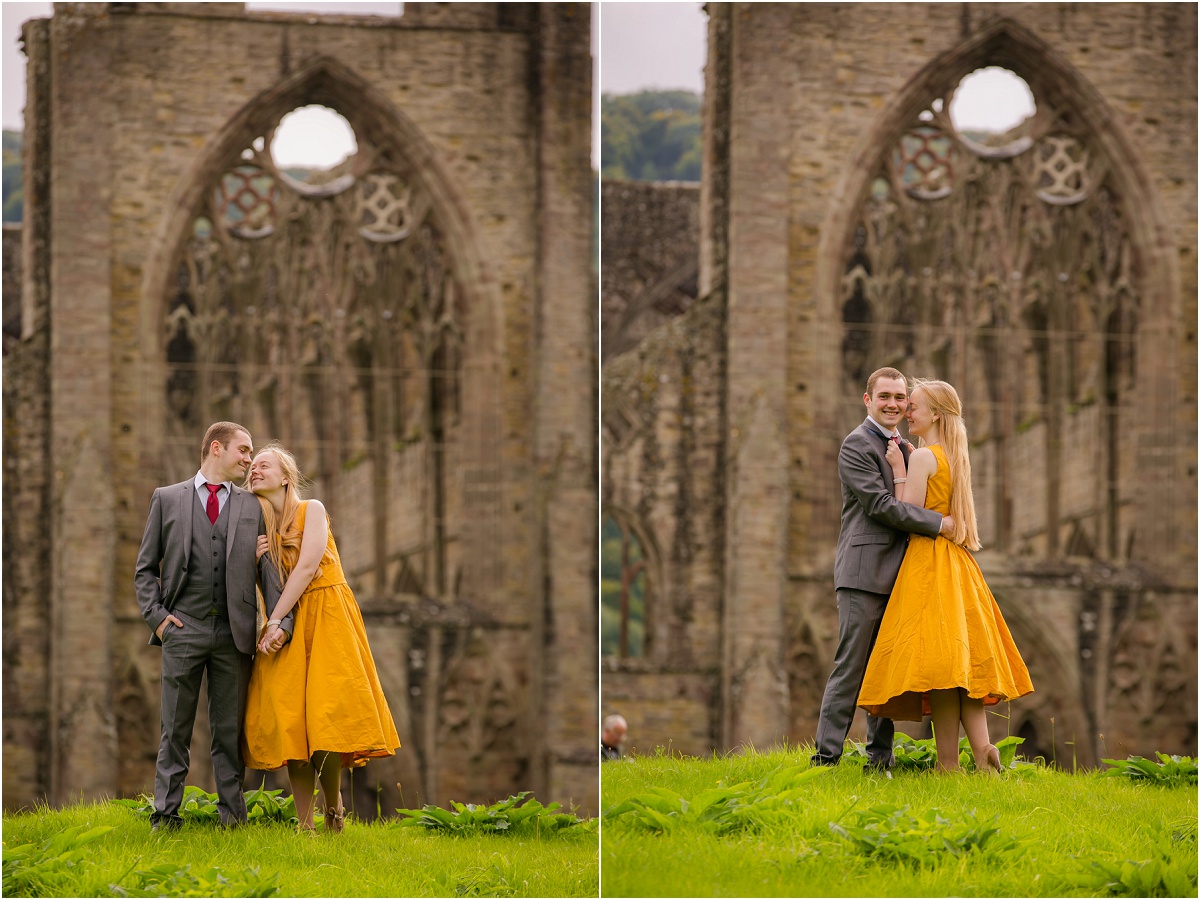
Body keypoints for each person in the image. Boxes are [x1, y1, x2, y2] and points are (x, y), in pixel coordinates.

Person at [858, 379, 1033, 772]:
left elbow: (906, 513)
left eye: (914, 406)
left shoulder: (922, 458)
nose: (907, 412)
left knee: (940, 668)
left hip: (928, 563)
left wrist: (899, 469)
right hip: (959, 565)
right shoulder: (956, 457)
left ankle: (948, 764)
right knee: (963, 666)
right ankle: (985, 749)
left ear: (934, 413)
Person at [135, 422, 295, 831]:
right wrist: (158, 619)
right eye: (243, 450)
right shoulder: (167, 499)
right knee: (175, 730)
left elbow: (269, 574)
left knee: (228, 733)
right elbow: (144, 569)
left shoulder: (252, 506)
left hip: (234, 634)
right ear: (216, 448)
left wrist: (281, 622)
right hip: (181, 630)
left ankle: (232, 820)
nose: (249, 459)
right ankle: (165, 817)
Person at [241, 442, 400, 832]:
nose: (254, 470)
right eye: (252, 467)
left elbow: (310, 564)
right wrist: (262, 557)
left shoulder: (312, 510)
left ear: (285, 477)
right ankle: (304, 824)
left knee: (325, 719)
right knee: (293, 721)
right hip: (289, 621)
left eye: (264, 465)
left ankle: (333, 809)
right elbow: (269, 584)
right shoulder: (262, 528)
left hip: (326, 616)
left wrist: (274, 621)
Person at [811, 368, 957, 770]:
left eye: (900, 398)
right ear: (868, 400)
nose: (893, 404)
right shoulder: (856, 445)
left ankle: (879, 760)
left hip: (902, 575)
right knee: (851, 667)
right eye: (885, 397)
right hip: (863, 573)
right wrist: (938, 523)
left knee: (885, 671)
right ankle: (825, 758)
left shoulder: (905, 448)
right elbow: (879, 506)